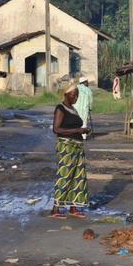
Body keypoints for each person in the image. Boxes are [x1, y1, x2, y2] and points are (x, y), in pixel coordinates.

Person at [49, 84, 91, 219]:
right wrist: (78, 130)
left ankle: (74, 207)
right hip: (66, 146)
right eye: (74, 95)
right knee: (65, 175)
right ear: (66, 94)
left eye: (77, 95)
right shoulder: (60, 108)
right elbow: (56, 129)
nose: (76, 97)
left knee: (77, 176)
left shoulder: (73, 109)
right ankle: (55, 209)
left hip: (77, 147)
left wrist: (83, 131)